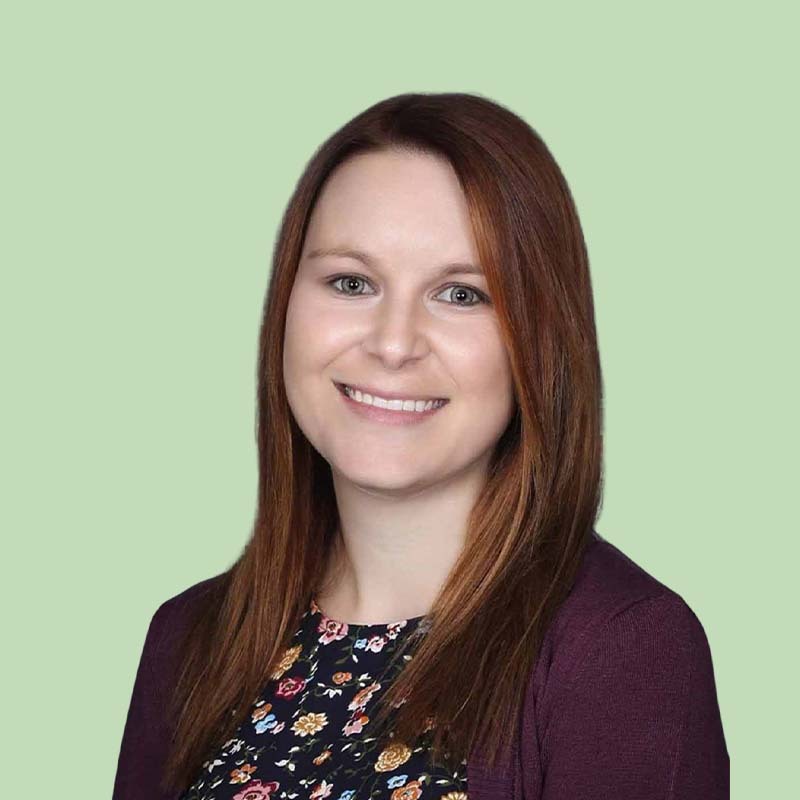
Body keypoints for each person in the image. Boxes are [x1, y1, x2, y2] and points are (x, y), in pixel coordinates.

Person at [112, 92, 729, 800]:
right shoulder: (188, 639)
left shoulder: (625, 650)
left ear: (539, 340)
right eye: (352, 283)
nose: (393, 343)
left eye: (461, 294)